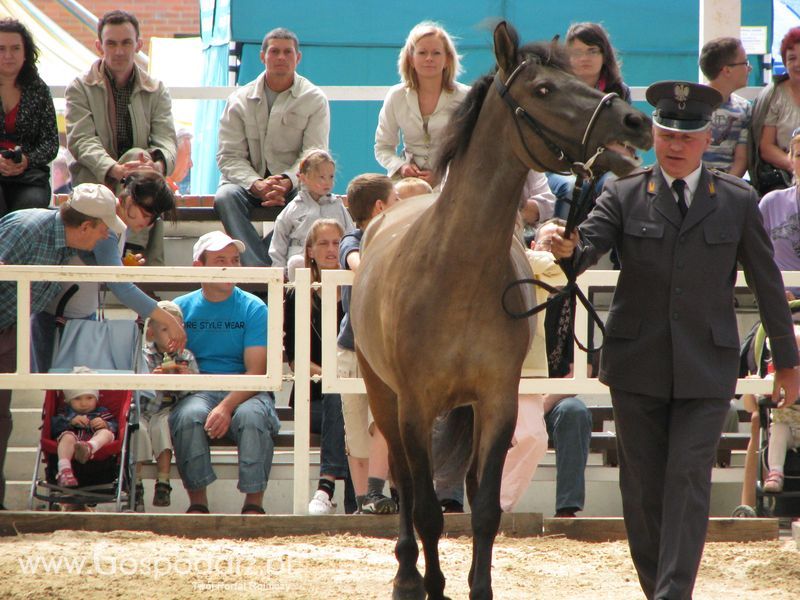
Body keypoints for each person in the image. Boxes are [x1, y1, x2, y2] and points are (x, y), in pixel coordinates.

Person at [550, 80, 800, 600]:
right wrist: (564, 245)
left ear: (708, 138)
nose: (675, 144)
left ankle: (671, 595)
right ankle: (658, 590)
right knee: (641, 492)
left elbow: (767, 282)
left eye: (687, 135)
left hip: (706, 368)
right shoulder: (621, 193)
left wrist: (789, 361)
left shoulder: (736, 199)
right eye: (666, 133)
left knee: (687, 482)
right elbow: (584, 250)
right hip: (636, 364)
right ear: (655, 135)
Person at [0, 192, 120, 508]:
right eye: (103, 228)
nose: (106, 235)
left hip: (8, 329)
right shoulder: (27, 226)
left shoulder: (68, 243)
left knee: (1, 418)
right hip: (8, 325)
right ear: (85, 226)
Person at [169, 231, 281, 514]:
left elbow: (257, 372)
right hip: (199, 391)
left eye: (235, 260)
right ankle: (198, 505)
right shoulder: (179, 309)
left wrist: (225, 406)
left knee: (252, 415)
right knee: (187, 415)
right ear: (200, 266)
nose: (231, 266)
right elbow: (170, 361)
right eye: (221, 260)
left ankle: (253, 506)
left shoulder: (254, 307)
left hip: (246, 392)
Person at [30, 173, 185, 374]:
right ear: (128, 198)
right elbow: (120, 286)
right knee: (60, 391)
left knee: (74, 393)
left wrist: (120, 268)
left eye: (153, 218)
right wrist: (168, 320)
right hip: (58, 317)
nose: (146, 223)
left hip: (77, 314)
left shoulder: (116, 226)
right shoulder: (108, 228)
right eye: (145, 214)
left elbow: (102, 270)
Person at [65, 9, 177, 266]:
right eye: (111, 43)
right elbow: (81, 140)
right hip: (95, 180)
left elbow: (167, 141)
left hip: (142, 180)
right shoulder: (80, 87)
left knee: (142, 168)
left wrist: (157, 164)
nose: (119, 51)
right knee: (140, 172)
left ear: (138, 44)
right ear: (98, 46)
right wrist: (113, 168)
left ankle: (136, 252)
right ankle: (146, 263)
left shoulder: (157, 89)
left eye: (126, 42)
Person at [214, 27, 330, 267]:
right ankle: (260, 271)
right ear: (262, 56)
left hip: (293, 185)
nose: (280, 57)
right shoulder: (238, 100)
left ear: (298, 58)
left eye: (288, 52)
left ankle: (261, 267)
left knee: (313, 198)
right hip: (246, 186)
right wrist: (256, 184)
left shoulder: (314, 99)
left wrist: (288, 181)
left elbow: (314, 156)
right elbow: (229, 156)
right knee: (225, 197)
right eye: (274, 51)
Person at [338, 174, 400, 513]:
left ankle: (375, 492)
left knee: (384, 421)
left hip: (384, 348)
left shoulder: (398, 240)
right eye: (396, 202)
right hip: (353, 347)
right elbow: (353, 260)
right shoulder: (356, 236)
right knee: (356, 430)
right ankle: (363, 499)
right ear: (380, 207)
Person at [284, 219, 355, 514]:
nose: (331, 249)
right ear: (309, 251)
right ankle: (356, 500)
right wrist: (331, 377)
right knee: (341, 398)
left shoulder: (357, 290)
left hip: (353, 391)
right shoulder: (296, 294)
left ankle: (327, 488)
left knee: (348, 404)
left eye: (337, 243)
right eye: (323, 243)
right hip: (311, 397)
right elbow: (295, 359)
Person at [548, 22, 632, 217]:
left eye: (592, 51)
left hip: (604, 167)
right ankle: (558, 241)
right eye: (577, 52)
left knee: (615, 186)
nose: (584, 58)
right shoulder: (556, 90)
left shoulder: (619, 92)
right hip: (562, 167)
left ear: (605, 55)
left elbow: (624, 142)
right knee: (572, 187)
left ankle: (607, 246)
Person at [374, 21, 468, 190]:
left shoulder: (466, 97)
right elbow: (383, 147)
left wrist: (442, 174)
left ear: (447, 59)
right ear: (411, 58)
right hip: (406, 186)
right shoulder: (396, 96)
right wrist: (401, 166)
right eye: (422, 52)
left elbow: (473, 149)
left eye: (436, 53)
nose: (429, 58)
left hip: (454, 186)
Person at [135, 300, 199, 511]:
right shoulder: (142, 356)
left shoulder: (186, 357)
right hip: (144, 410)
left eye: (177, 329)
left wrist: (185, 378)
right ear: (151, 333)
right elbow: (134, 389)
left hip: (167, 409)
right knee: (138, 429)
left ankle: (163, 481)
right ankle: (135, 483)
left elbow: (194, 392)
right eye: (165, 329)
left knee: (163, 426)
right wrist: (150, 380)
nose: (172, 334)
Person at [0, 18, 58, 217]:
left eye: (15, 48)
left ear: (26, 53)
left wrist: (26, 160)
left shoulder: (39, 89)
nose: (8, 56)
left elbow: (51, 143)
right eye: (1, 49)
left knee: (27, 214)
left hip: (30, 176)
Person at [268, 149, 353, 278]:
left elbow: (349, 234)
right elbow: (279, 240)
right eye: (321, 177)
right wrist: (279, 270)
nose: (327, 182)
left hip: (332, 261)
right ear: (303, 178)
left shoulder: (337, 205)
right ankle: (300, 296)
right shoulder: (294, 207)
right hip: (302, 260)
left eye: (331, 177)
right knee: (296, 263)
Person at [750, 27, 800, 195]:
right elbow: (766, 147)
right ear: (785, 62)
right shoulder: (774, 95)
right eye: (792, 58)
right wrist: (795, 164)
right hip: (784, 176)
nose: (798, 64)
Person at [51, 368, 118, 488]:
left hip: (96, 445)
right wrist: (70, 422)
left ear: (96, 398)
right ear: (68, 400)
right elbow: (53, 427)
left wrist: (106, 424)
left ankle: (89, 447)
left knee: (106, 433)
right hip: (73, 442)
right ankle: (64, 470)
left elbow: (116, 427)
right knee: (67, 436)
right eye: (77, 398)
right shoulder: (64, 413)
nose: (84, 403)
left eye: (89, 398)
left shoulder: (102, 412)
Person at [699, 37, 752, 178]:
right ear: (727, 70)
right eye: (745, 63)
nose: (750, 68)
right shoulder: (693, 103)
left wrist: (727, 187)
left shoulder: (744, 108)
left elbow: (741, 159)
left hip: (727, 187)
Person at [759, 130, 800, 298]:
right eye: (799, 155)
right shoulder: (772, 203)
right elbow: (754, 256)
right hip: (780, 307)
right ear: (790, 159)